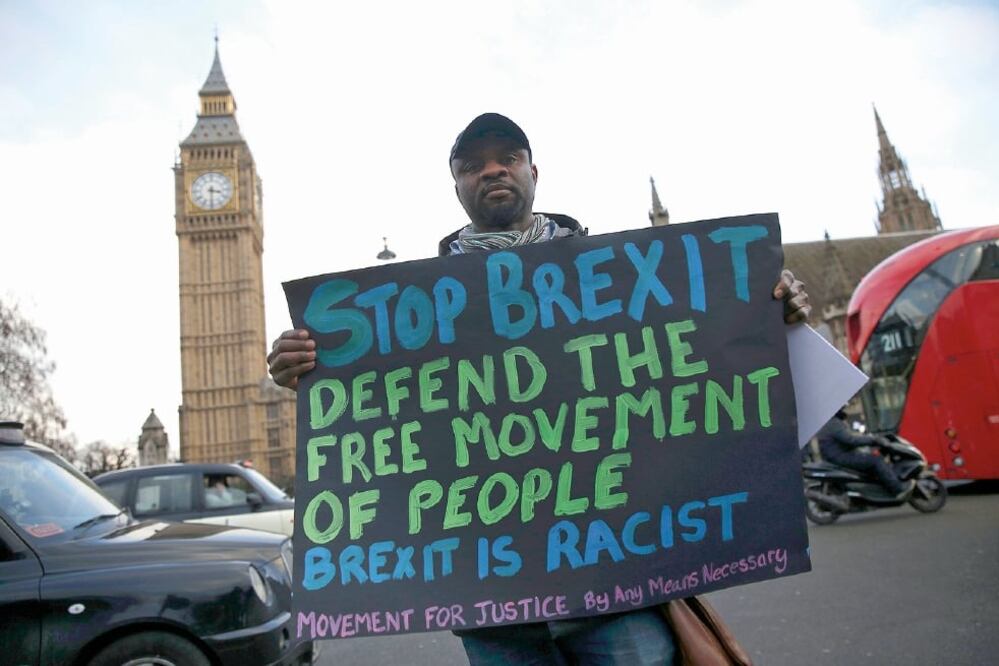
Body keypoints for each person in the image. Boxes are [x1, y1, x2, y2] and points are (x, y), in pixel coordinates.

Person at [267, 113, 811, 665]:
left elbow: (701, 351)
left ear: (533, 171)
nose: (493, 171)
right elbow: (385, 416)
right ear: (456, 186)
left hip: (618, 596)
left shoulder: (620, 277)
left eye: (509, 157)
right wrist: (308, 368)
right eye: (472, 166)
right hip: (493, 612)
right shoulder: (411, 313)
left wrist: (769, 310)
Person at [817, 409, 913, 499]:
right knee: (876, 460)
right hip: (842, 456)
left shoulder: (828, 423)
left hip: (836, 456)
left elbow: (848, 437)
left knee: (869, 456)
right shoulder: (833, 423)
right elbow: (850, 440)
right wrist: (873, 440)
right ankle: (896, 488)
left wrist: (866, 438)